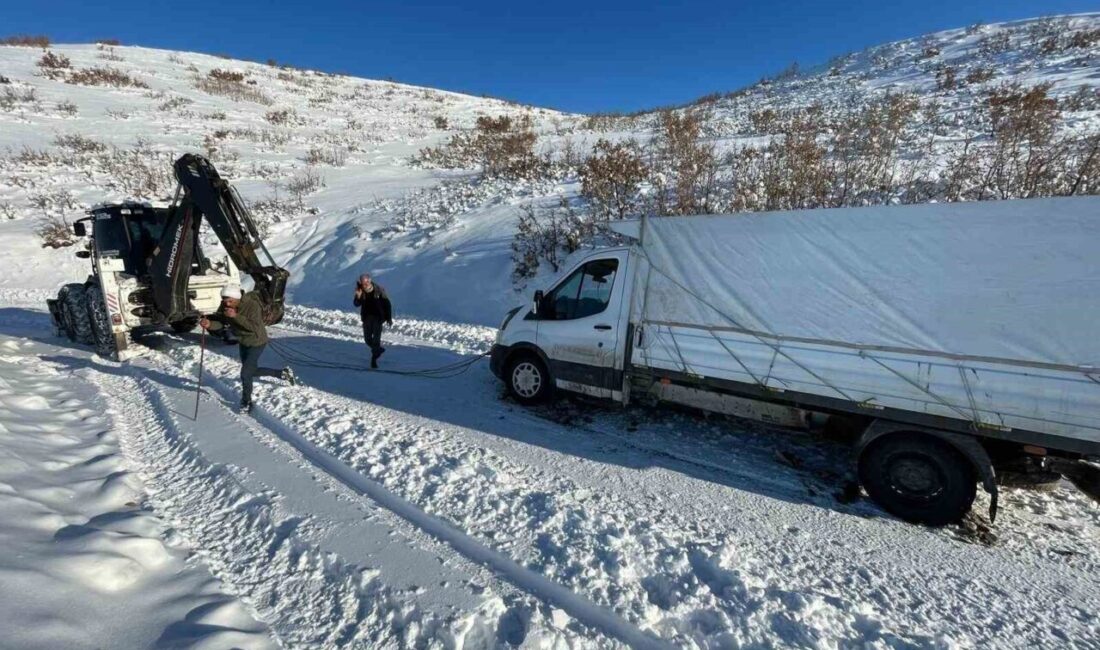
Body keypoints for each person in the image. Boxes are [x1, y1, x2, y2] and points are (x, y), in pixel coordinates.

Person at [200, 285, 296, 413]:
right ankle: (282, 373)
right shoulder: (225, 306)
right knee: (251, 371)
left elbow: (254, 327)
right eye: (225, 301)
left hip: (257, 341)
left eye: (230, 301)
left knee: (245, 374)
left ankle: (246, 402)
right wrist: (210, 324)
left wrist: (236, 316)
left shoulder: (252, 305)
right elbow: (221, 322)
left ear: (237, 298)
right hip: (243, 341)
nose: (227, 304)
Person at [353, 273, 392, 368]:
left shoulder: (379, 290)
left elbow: (387, 304)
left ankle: (373, 361)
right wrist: (358, 296)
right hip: (366, 318)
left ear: (369, 281)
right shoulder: (360, 291)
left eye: (366, 281)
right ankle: (378, 350)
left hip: (378, 318)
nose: (364, 284)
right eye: (362, 282)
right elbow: (356, 304)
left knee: (376, 340)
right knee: (367, 340)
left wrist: (389, 318)